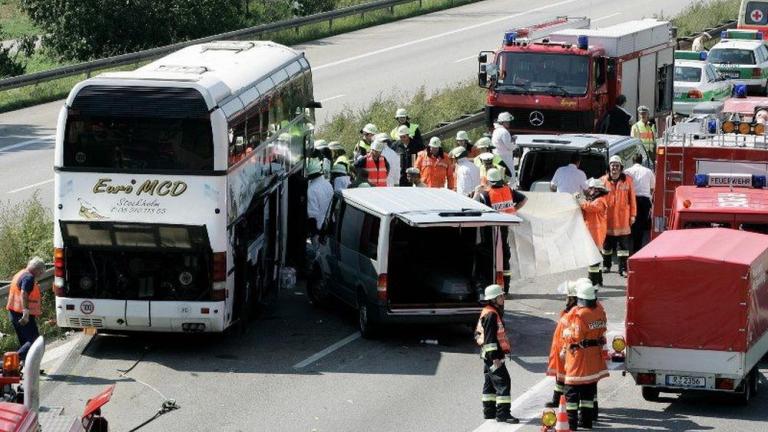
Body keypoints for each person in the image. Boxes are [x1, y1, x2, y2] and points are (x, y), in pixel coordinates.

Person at [562, 280, 608, 431]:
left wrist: (566, 332)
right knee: (588, 392)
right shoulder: (600, 311)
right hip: (594, 358)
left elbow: (574, 336)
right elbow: (602, 330)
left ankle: (571, 424)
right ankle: (587, 422)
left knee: (571, 392)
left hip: (579, 358)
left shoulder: (580, 315)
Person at [474, 168, 527, 294]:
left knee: (490, 259)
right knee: (504, 259)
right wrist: (514, 209)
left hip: (490, 231)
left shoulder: (486, 195)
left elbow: (474, 206)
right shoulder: (507, 190)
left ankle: (490, 287)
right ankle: (506, 288)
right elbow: (524, 199)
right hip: (504, 228)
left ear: (488, 181)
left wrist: (477, 192)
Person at [475, 284, 520, 424]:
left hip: (488, 356)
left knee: (489, 382)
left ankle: (489, 411)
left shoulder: (489, 311)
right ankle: (503, 414)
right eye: (501, 296)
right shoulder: (491, 315)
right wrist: (495, 358)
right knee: (503, 382)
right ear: (494, 299)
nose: (503, 298)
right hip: (493, 357)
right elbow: (490, 340)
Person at [600, 156, 636, 277]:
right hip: (607, 219)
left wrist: (633, 215)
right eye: (612, 165)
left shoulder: (628, 181)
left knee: (624, 248)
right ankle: (606, 265)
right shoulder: (602, 181)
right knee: (606, 246)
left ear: (621, 167)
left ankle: (623, 269)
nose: (614, 167)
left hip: (623, 220)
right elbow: (597, 199)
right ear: (609, 167)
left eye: (617, 165)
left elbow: (633, 200)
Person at [546, 280, 579, 408]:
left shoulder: (575, 313)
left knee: (567, 378)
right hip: (560, 350)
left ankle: (565, 401)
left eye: (568, 297)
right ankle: (557, 399)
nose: (566, 300)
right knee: (560, 377)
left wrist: (565, 350)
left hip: (566, 351)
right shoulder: (568, 312)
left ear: (573, 298)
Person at [7, 257, 46, 361]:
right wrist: (26, 312)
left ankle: (27, 366)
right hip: (23, 316)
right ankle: (11, 362)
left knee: (25, 342)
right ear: (37, 269)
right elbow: (24, 293)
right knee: (35, 341)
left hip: (14, 313)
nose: (40, 275)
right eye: (41, 272)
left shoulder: (21, 273)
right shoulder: (28, 277)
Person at [576, 178, 609, 286]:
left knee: (593, 258)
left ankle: (592, 281)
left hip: (596, 233)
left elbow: (590, 208)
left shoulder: (600, 201)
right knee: (596, 257)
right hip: (594, 232)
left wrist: (580, 200)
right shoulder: (596, 199)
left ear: (597, 190)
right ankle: (598, 280)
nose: (588, 190)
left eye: (590, 188)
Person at [623, 153, 654, 254]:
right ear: (642, 161)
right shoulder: (648, 171)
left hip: (631, 199)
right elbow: (653, 187)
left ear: (632, 161)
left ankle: (626, 247)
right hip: (644, 200)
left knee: (629, 224)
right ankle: (637, 249)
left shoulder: (627, 171)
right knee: (640, 226)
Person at [306, 160, 334, 241]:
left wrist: (314, 233)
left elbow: (312, 214)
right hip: (328, 224)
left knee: (317, 252)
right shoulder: (328, 185)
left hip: (318, 229)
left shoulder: (311, 189)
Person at [491, 112, 517, 183]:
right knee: (511, 177)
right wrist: (514, 143)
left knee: (501, 176)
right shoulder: (504, 132)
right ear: (502, 122)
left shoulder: (496, 131)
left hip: (497, 157)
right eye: (507, 122)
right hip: (505, 157)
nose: (509, 123)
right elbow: (509, 146)